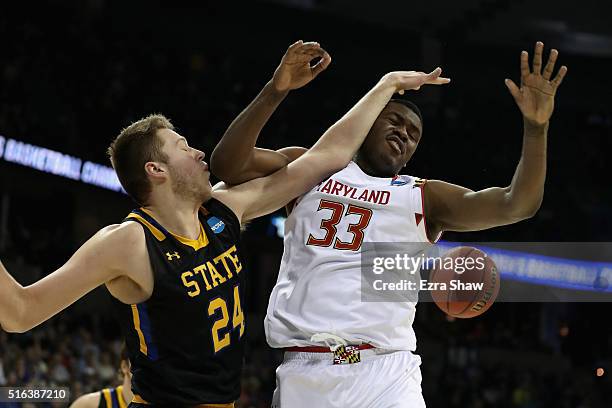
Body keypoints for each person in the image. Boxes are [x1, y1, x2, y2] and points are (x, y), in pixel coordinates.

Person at [0, 39, 448, 406]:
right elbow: (20, 312)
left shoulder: (224, 211)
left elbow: (326, 158)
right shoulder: (128, 242)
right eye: (182, 147)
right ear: (156, 171)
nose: (199, 153)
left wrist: (385, 85)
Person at [210, 42, 566, 407]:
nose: (404, 135)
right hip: (306, 371)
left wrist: (536, 129)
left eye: (414, 135)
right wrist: (276, 90)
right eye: (394, 121)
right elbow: (228, 165)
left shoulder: (424, 197)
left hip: (387, 374)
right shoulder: (310, 167)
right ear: (366, 121)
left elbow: (517, 204)